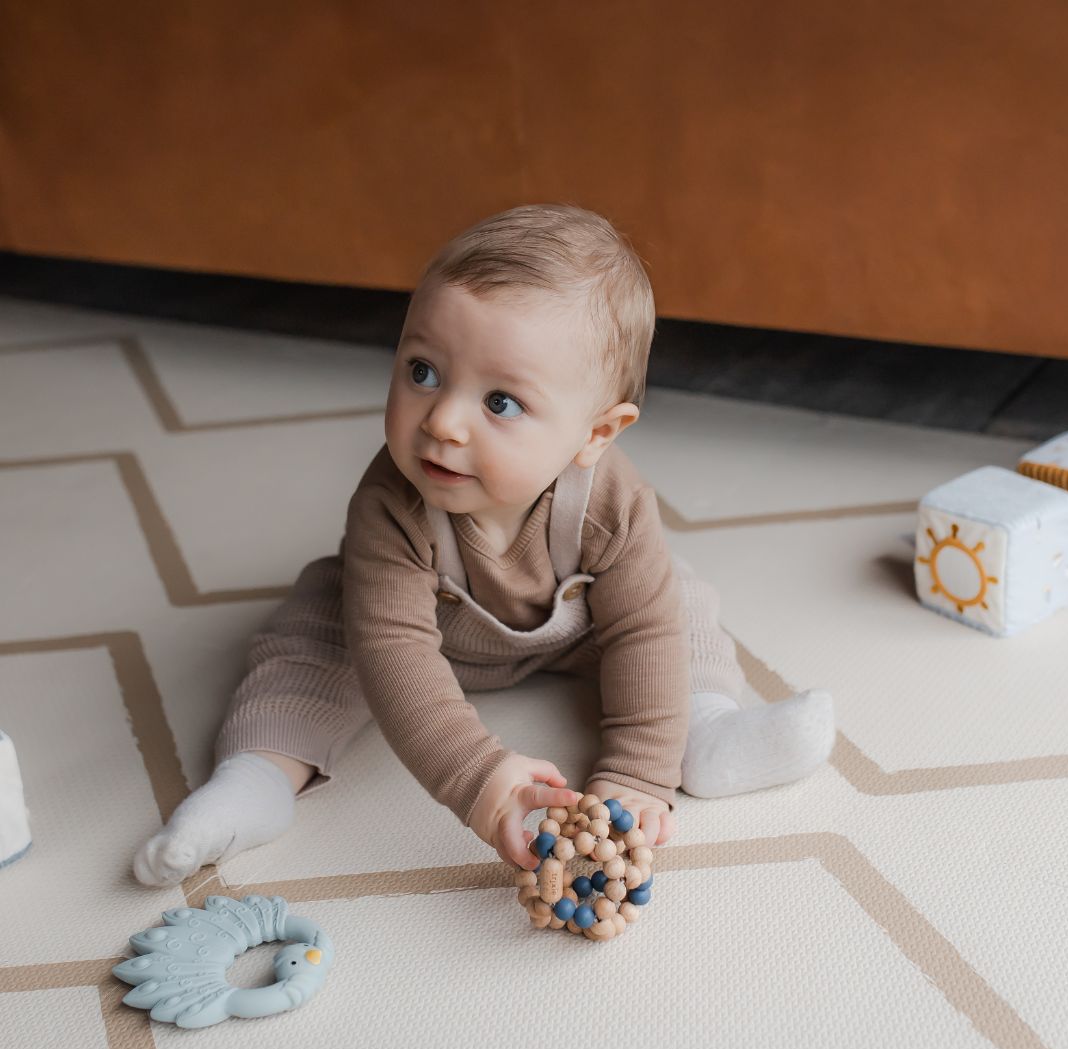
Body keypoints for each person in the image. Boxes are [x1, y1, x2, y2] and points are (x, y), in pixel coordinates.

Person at [133, 204, 835, 886]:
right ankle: (257, 778)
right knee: (314, 635)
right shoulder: (390, 503)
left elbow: (643, 633)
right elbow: (396, 651)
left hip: (579, 632)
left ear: (596, 434)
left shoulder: (614, 506)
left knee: (673, 609)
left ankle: (702, 733)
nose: (442, 421)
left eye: (500, 403)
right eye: (422, 371)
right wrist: (479, 778)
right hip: (419, 636)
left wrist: (636, 773)